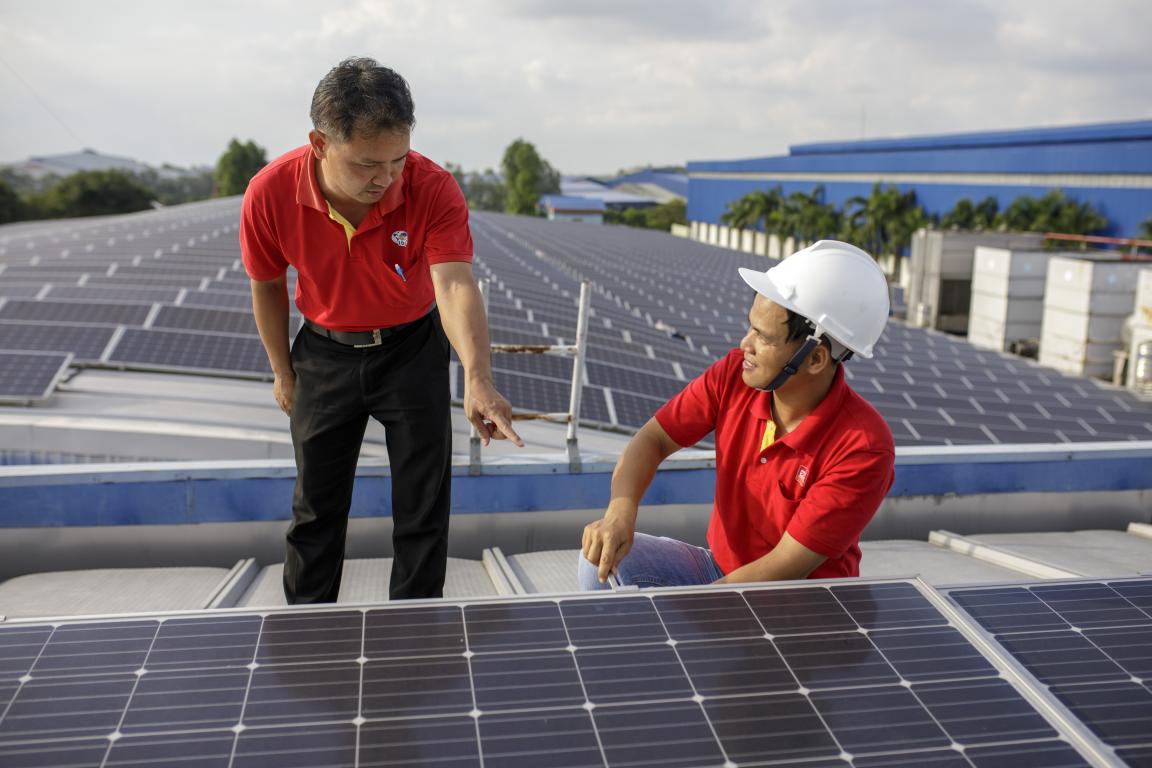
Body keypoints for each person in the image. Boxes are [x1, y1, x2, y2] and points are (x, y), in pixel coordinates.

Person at [241, 57, 522, 604]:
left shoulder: (432, 187)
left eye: (398, 159)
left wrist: (478, 377)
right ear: (320, 144)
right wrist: (282, 371)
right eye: (369, 164)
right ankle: (307, 628)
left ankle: (413, 630)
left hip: (411, 350)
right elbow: (268, 285)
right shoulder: (270, 193)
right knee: (315, 510)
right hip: (323, 354)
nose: (387, 178)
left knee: (423, 507)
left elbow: (455, 285)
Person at [580, 240, 894, 589]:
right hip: (720, 570)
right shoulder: (734, 376)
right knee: (599, 556)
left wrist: (694, 615)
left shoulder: (862, 447)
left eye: (763, 337)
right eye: (750, 327)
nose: (745, 344)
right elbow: (653, 439)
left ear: (815, 358)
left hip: (799, 601)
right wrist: (619, 513)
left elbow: (786, 565)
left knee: (684, 632)